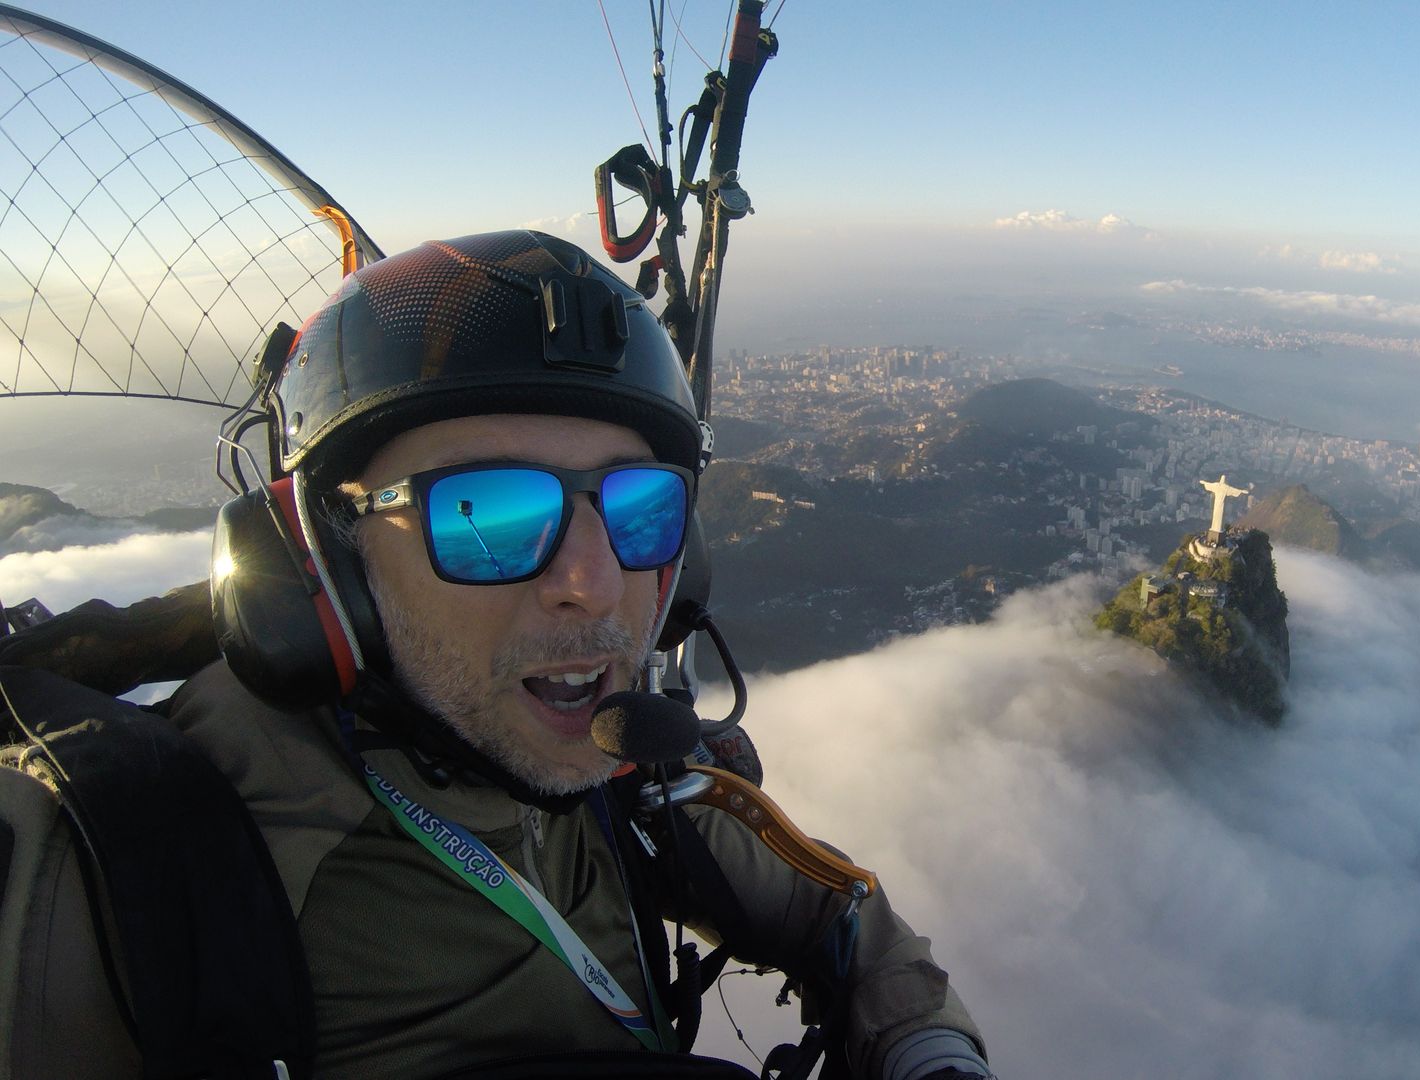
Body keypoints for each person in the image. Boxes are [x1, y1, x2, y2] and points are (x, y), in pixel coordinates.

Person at [0, 231, 992, 1080]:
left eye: (639, 508)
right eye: (486, 514)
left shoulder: (620, 773)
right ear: (324, 562)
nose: (593, 584)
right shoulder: (115, 877)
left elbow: (841, 913)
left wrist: (930, 1053)